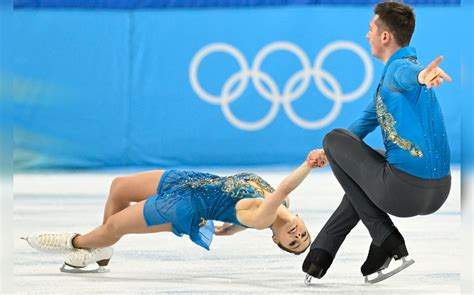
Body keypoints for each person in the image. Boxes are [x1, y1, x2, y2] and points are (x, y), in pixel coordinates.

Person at [302, 1, 452, 284]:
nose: (366, 35)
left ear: (385, 36)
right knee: (359, 155)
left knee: (332, 137)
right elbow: (360, 126)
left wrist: (422, 76)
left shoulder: (402, 70)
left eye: (370, 29)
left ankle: (385, 236)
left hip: (404, 191)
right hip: (439, 190)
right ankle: (322, 251)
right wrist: (327, 154)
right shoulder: (390, 84)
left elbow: (411, 76)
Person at [23, 151, 327, 272]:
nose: (298, 237)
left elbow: (283, 190)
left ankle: (75, 242)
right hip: (192, 179)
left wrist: (309, 164)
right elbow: (263, 206)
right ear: (302, 222)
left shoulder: (267, 215)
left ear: (276, 240)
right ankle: (101, 250)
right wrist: (230, 228)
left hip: (186, 205)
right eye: (304, 236)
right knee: (119, 187)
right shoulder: (278, 210)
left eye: (294, 243)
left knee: (115, 224)